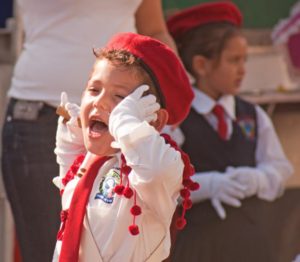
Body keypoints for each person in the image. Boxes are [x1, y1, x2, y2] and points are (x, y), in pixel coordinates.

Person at [1, 1, 177, 261]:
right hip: (41, 116)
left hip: (128, 124)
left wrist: (171, 107)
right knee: (49, 248)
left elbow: (154, 30)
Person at [52, 32, 198, 261]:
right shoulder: (87, 161)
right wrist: (73, 133)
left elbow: (154, 170)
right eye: (93, 89)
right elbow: (71, 190)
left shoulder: (160, 164)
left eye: (120, 97)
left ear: (154, 119)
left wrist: (126, 122)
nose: (99, 101)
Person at [166, 2, 294, 261]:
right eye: (234, 60)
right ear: (201, 65)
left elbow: (280, 170)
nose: (243, 69)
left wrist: (258, 178)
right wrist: (208, 185)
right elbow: (163, 184)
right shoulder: (177, 118)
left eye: (244, 59)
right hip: (199, 249)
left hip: (251, 246)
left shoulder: (252, 115)